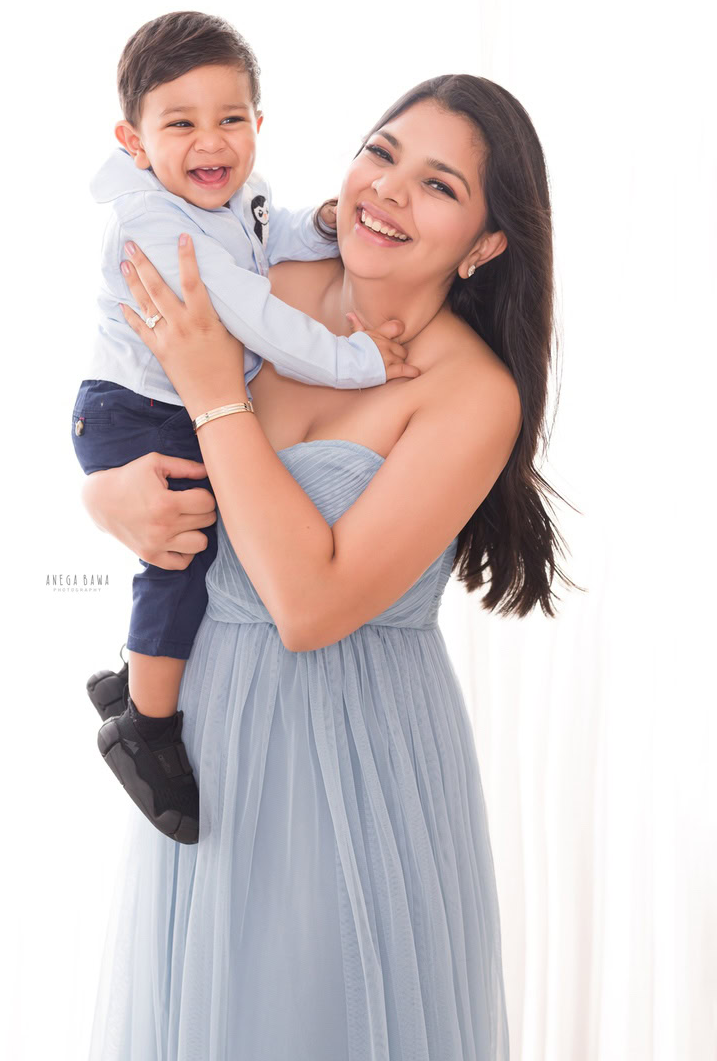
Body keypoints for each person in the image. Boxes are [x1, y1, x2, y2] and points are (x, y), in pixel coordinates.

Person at [80, 74, 571, 1059]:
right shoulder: (256, 280)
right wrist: (105, 497)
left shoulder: (472, 394)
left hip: (358, 750)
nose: (387, 190)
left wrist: (216, 393)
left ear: (483, 245)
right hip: (206, 734)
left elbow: (308, 605)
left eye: (437, 185)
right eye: (380, 153)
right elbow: (128, 410)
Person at [72, 11, 416, 845]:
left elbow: (267, 231)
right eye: (180, 124)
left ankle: (133, 675)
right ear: (133, 140)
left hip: (167, 402)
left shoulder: (233, 192)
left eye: (230, 118)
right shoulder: (153, 224)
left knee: (212, 534)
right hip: (133, 407)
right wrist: (358, 359)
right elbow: (256, 314)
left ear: (259, 121)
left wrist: (321, 225)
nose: (211, 141)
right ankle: (145, 725)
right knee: (185, 553)